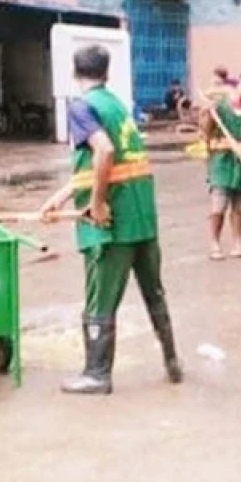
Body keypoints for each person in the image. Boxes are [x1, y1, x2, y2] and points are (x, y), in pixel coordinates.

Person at [38, 45, 182, 395]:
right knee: (154, 292)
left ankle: (97, 374)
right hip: (142, 218)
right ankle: (172, 360)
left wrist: (98, 204)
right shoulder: (117, 105)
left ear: (74, 73)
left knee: (100, 299)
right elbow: (101, 165)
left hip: (112, 224)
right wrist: (59, 198)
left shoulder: (82, 106)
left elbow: (104, 151)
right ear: (106, 72)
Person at [201, 69, 241, 261]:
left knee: (240, 206)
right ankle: (214, 242)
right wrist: (207, 114)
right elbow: (205, 130)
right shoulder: (220, 107)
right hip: (222, 162)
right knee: (218, 205)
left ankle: (238, 243)